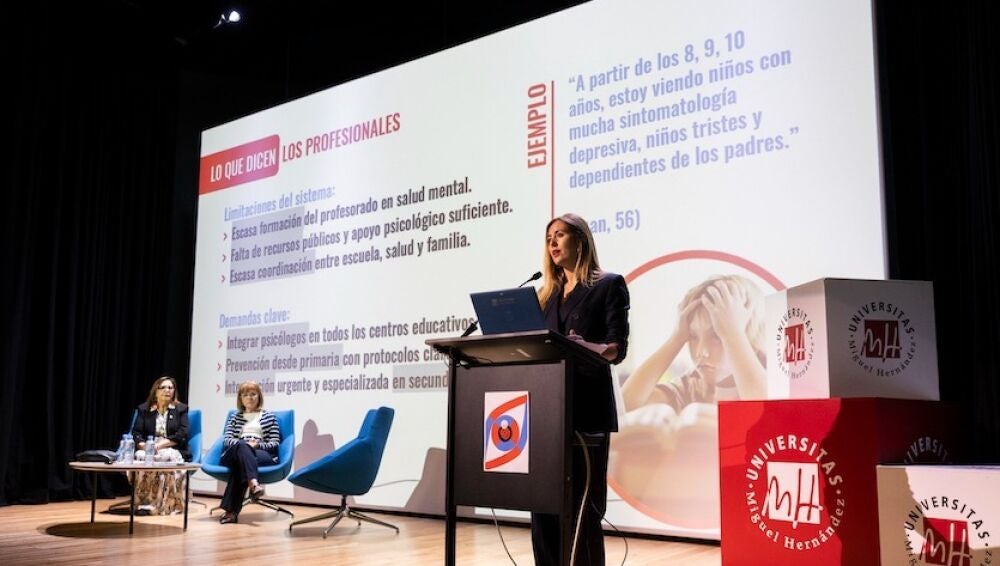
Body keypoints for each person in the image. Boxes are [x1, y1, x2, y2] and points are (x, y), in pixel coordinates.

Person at [531, 213, 630, 566]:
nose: (553, 243)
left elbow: (616, 348)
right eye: (548, 238)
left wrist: (585, 346)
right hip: (545, 413)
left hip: (586, 412)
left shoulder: (608, 285)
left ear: (581, 240)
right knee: (543, 507)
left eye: (560, 235)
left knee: (582, 511)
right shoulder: (545, 296)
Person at [621, 274, 766, 414]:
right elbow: (626, 405)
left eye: (717, 336)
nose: (701, 351)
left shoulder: (775, 378)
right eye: (693, 336)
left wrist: (733, 335)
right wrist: (676, 339)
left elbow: (766, 412)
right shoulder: (691, 387)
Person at [217, 381, 280, 524]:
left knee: (241, 463)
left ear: (259, 397)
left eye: (253, 394)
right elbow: (227, 440)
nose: (249, 398)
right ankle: (253, 483)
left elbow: (275, 443)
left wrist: (257, 444)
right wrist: (244, 444)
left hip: (260, 453)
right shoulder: (235, 417)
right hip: (235, 452)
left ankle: (230, 512)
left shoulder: (269, 417)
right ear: (240, 398)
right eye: (245, 395)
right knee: (242, 447)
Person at [130, 375, 190, 515]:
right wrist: (145, 446)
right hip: (149, 447)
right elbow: (136, 433)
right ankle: (142, 503)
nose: (167, 390)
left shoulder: (180, 409)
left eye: (170, 387)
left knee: (165, 457)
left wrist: (161, 445)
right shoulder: (144, 409)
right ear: (156, 391)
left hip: (171, 447)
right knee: (140, 456)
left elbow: (182, 434)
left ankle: (163, 504)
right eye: (163, 387)